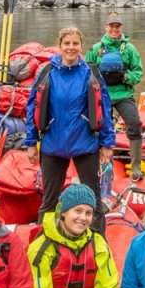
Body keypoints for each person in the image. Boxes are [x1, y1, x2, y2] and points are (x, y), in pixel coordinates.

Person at [24, 25, 115, 230]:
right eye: (67, 43)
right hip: (52, 145)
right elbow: (33, 109)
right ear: (60, 46)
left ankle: (97, 243)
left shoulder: (90, 73)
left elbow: (105, 108)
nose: (71, 48)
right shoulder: (47, 73)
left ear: (81, 46)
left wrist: (107, 143)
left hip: (85, 144)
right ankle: (43, 242)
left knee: (93, 199)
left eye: (75, 44)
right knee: (49, 201)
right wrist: (31, 143)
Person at [87, 12, 145, 181]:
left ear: (121, 28)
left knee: (134, 124)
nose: (114, 29)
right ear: (106, 27)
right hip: (102, 95)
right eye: (111, 26)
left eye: (117, 26)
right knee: (96, 127)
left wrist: (126, 77)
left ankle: (135, 167)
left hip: (123, 95)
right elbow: (85, 71)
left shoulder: (129, 49)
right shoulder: (96, 49)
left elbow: (138, 72)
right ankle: (97, 163)